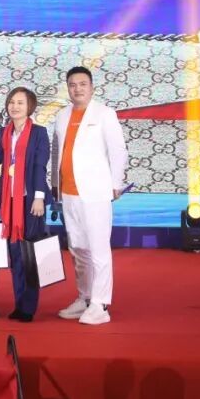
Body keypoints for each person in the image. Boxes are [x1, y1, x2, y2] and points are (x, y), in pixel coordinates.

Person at [52, 66, 128, 326]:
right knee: (77, 249)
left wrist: (116, 183)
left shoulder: (105, 114)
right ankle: (84, 297)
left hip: (95, 192)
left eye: (82, 84)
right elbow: (58, 152)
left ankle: (100, 304)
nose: (77, 89)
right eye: (72, 84)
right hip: (68, 193)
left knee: (98, 249)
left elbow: (118, 149)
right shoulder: (62, 115)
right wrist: (55, 186)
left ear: (92, 87)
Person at [0, 87, 51, 323]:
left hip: (30, 200)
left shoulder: (39, 133)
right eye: (12, 102)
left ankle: (29, 306)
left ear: (30, 107)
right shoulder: (2, 132)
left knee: (30, 253)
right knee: (15, 253)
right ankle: (19, 302)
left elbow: (40, 165)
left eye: (20, 103)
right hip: (8, 200)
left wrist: (39, 196)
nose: (14, 107)